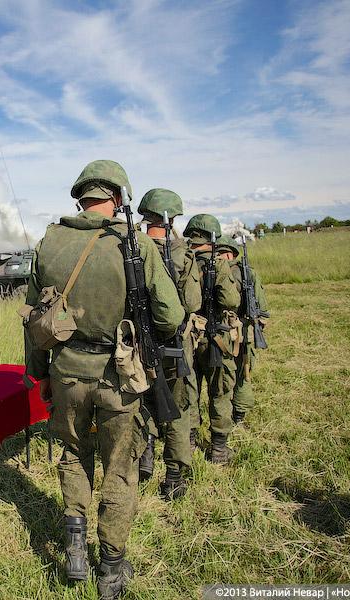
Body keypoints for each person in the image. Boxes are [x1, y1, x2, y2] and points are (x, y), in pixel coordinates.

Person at [23, 160, 184, 599]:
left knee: (74, 454)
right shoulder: (133, 244)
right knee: (120, 467)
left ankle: (75, 546)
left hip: (66, 372)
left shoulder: (49, 242)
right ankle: (110, 568)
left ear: (82, 195)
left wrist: (37, 375)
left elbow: (34, 318)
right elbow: (171, 316)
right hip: (119, 376)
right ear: (118, 196)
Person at [136, 189, 202, 500]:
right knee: (178, 407)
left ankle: (144, 455)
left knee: (141, 400)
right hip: (175, 343)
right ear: (172, 218)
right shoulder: (182, 254)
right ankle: (174, 476)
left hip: (137, 342)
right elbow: (192, 302)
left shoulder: (130, 247)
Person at [183, 216, 241, 465]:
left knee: (189, 391)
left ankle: (191, 441)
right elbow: (230, 302)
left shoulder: (182, 260)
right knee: (220, 393)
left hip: (189, 339)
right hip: (218, 337)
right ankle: (218, 449)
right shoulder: (219, 263)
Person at [215, 234, 269, 428]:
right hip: (242, 333)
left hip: (220, 334)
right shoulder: (247, 273)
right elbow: (262, 310)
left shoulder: (214, 271)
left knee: (225, 378)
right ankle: (238, 415)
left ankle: (233, 415)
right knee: (243, 374)